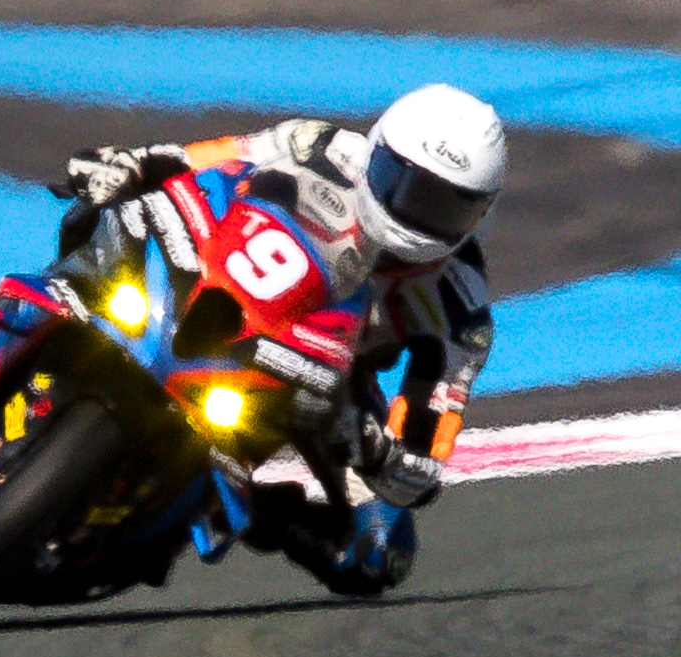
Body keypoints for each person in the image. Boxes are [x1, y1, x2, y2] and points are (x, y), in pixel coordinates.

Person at [55, 84, 505, 596]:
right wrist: (131, 164)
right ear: (377, 150)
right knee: (102, 215)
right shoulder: (320, 146)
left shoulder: (461, 308)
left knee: (378, 555)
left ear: (479, 214)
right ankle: (39, 315)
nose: (410, 210)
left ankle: (253, 510)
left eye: (441, 204)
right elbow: (203, 158)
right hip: (221, 277)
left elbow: (424, 447)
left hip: (323, 378)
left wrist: (384, 452)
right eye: (401, 183)